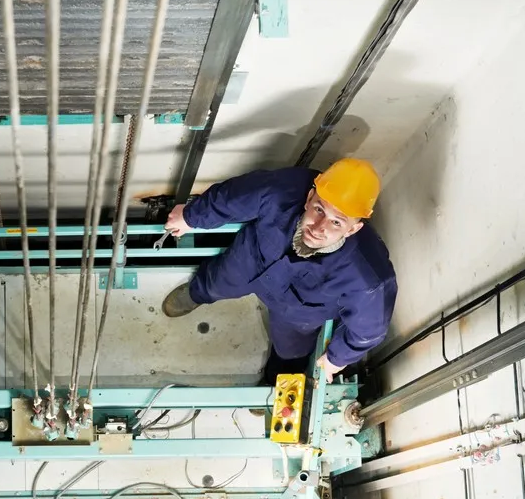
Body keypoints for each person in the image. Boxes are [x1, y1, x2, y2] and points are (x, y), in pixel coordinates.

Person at [161, 158, 396, 384]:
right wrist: (191, 217)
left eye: (337, 222)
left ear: (353, 229)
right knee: (216, 281)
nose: (319, 227)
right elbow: (234, 197)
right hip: (253, 260)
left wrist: (338, 358)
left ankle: (275, 383)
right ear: (309, 196)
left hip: (299, 312)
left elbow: (369, 329)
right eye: (319, 210)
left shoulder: (367, 276)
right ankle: (196, 294)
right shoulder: (284, 189)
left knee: (290, 353)